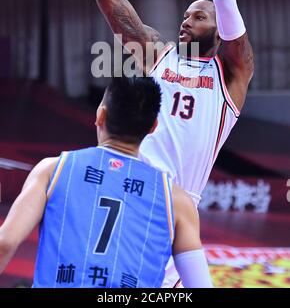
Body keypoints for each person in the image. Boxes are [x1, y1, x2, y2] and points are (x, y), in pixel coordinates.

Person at [93, 0, 254, 287]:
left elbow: (224, 0)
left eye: (199, 15)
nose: (187, 19)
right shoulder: (157, 53)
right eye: (184, 13)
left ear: (220, 31)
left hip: (178, 210)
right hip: (129, 191)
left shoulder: (232, 72)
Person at [0, 76, 208, 288]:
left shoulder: (53, 169)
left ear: (100, 115)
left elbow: (5, 243)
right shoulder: (176, 200)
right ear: (153, 127)